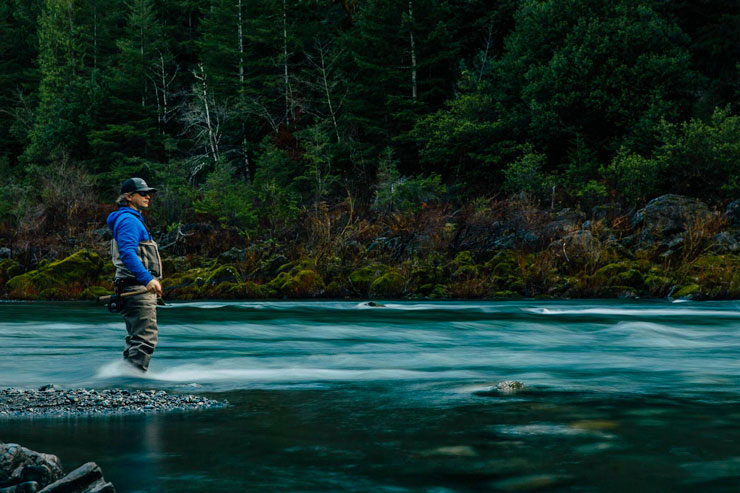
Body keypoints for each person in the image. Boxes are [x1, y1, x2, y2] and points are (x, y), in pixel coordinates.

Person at [106, 177, 164, 372]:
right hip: (136, 288)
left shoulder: (129, 219)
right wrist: (148, 279)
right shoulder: (128, 221)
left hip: (133, 286)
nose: (148, 196)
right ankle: (133, 384)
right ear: (129, 197)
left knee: (136, 338)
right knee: (145, 338)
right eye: (143, 193)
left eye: (149, 193)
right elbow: (127, 253)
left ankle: (127, 379)